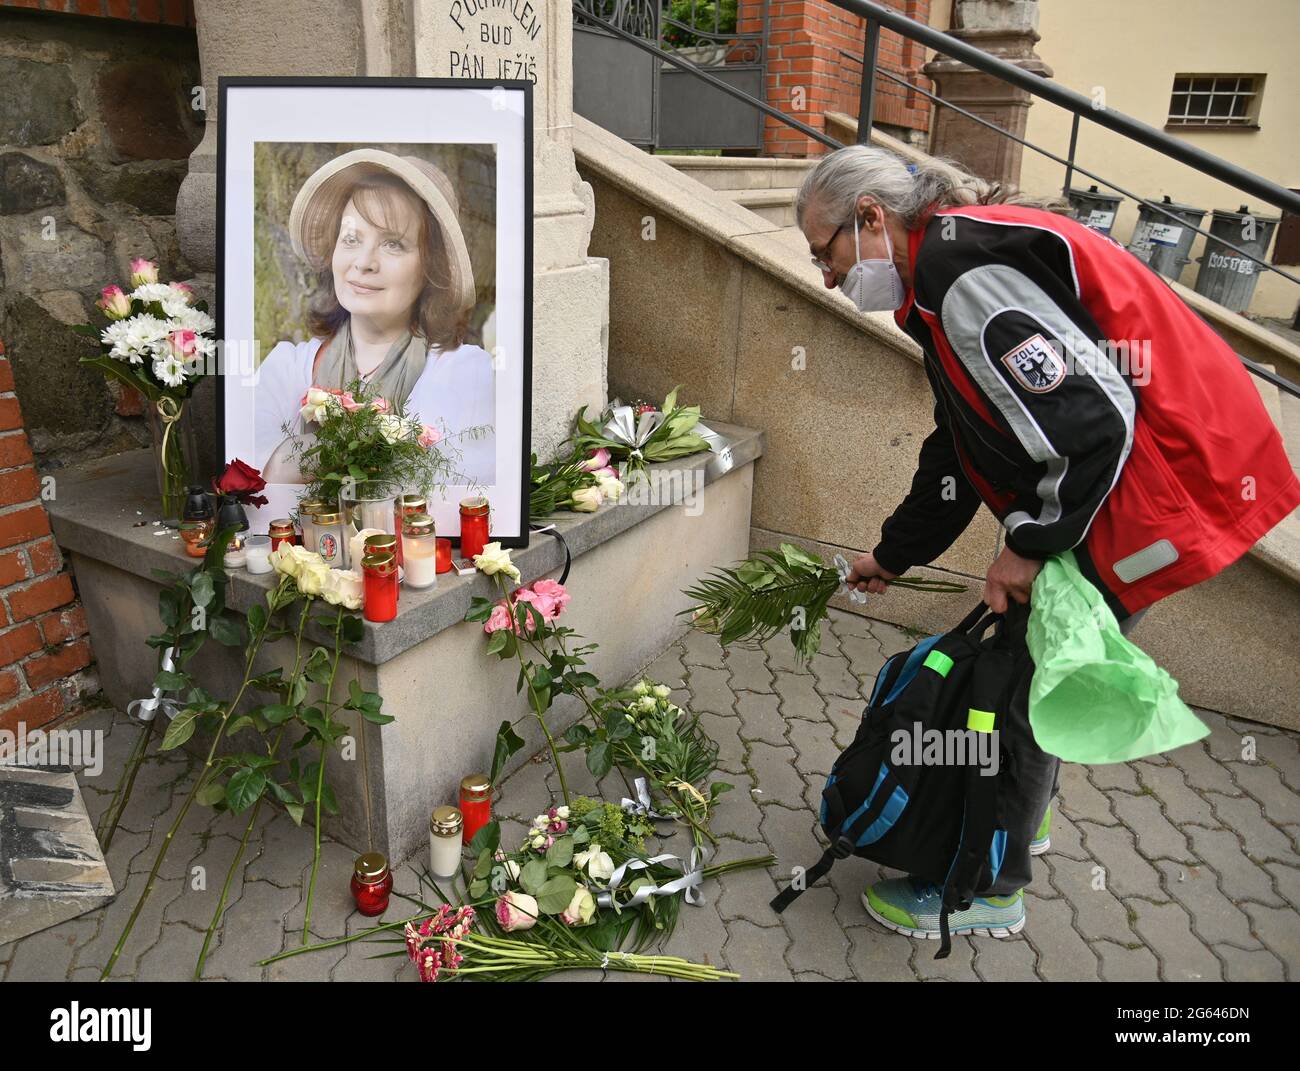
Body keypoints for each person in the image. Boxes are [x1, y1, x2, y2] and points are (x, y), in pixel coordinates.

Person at [796, 145, 1300, 942]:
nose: (826, 276)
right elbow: (956, 446)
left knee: (1023, 691)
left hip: (1164, 479)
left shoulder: (961, 278)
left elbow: (1094, 421)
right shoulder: (943, 275)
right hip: (1145, 478)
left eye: (824, 252)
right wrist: (893, 554)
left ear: (869, 219)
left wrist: (1027, 545)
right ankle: (1016, 825)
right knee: (1038, 672)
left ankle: (988, 888)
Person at [255, 148, 496, 487]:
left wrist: (303, 455)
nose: (364, 262)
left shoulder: (464, 373)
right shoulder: (286, 368)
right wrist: (388, 453)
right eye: (351, 239)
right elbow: (253, 482)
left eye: (393, 244)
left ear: (430, 267)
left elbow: (459, 493)